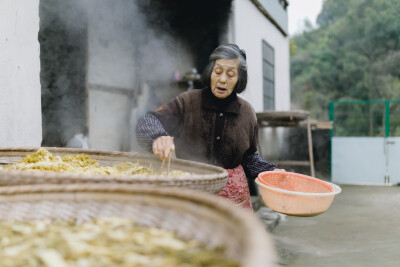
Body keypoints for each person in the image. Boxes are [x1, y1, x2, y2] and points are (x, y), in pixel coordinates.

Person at [136, 44, 277, 209]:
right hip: (191, 191)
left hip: (233, 202)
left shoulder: (247, 113)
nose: (222, 79)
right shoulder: (187, 102)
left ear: (240, 79)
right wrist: (157, 137)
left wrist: (269, 172)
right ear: (210, 72)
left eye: (230, 74)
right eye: (218, 72)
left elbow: (248, 157)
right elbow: (148, 120)